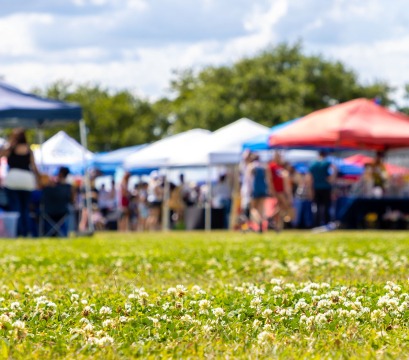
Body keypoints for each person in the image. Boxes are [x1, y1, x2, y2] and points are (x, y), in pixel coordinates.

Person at [1, 128, 39, 237]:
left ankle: (17, 232)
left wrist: (9, 144)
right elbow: (34, 167)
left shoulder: (10, 148)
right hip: (27, 180)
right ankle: (27, 232)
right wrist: (38, 179)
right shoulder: (28, 149)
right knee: (25, 209)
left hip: (13, 179)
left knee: (15, 208)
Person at [267, 151, 294, 232]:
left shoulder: (280, 167)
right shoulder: (271, 166)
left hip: (282, 190)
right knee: (285, 205)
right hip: (277, 190)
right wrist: (272, 190)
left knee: (280, 207)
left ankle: (277, 225)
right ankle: (271, 218)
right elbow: (270, 179)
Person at [308, 151, 337, 227]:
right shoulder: (327, 163)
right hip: (326, 188)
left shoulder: (313, 164)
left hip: (316, 188)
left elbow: (310, 178)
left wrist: (310, 190)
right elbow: (334, 170)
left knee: (317, 207)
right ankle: (327, 223)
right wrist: (331, 179)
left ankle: (316, 224)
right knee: (326, 206)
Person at [248, 153, 268, 233]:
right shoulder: (263, 167)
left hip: (255, 190)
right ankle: (262, 224)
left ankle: (259, 222)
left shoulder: (251, 167)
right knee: (261, 209)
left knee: (253, 209)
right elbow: (267, 179)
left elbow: (249, 181)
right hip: (263, 189)